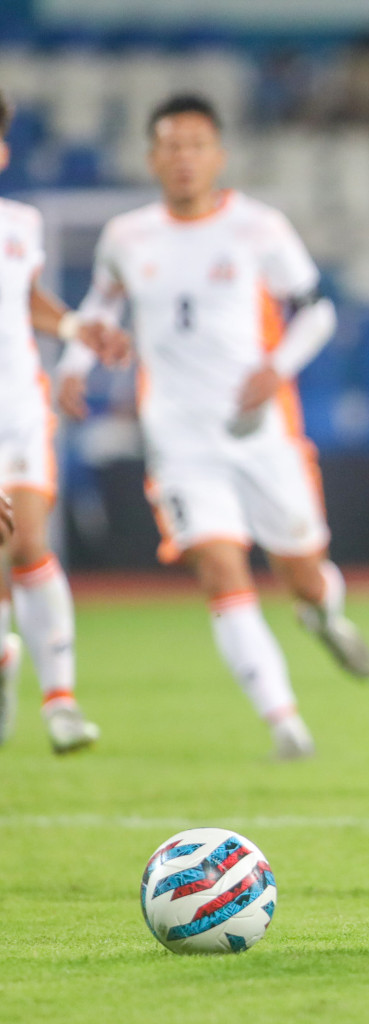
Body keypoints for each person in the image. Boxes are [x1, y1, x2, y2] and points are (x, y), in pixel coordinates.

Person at [58, 94, 369, 761]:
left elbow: (316, 311)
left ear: (218, 156)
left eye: (196, 145)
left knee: (303, 572)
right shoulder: (127, 236)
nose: (183, 158)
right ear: (152, 158)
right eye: (170, 146)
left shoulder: (258, 228)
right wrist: (75, 363)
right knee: (219, 567)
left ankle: (323, 615)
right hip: (178, 440)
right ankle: (284, 722)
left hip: (259, 430)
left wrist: (276, 367)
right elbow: (101, 303)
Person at [0, 88, 130, 754]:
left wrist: (78, 324)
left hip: (18, 411)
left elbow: (25, 299)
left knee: (26, 543)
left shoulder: (18, 225)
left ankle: (61, 702)